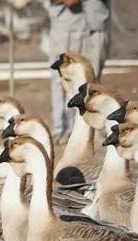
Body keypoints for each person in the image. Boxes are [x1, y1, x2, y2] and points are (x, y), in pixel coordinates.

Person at [49, 0, 110, 139]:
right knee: (62, 78)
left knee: (90, 80)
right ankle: (63, 128)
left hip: (94, 24)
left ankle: (87, 128)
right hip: (65, 27)